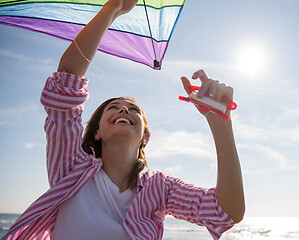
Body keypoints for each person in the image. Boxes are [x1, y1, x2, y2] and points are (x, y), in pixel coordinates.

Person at [2, 0, 245, 239]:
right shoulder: (72, 167)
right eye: (113, 107)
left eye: (133, 109)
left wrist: (221, 124)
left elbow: (225, 212)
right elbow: (66, 81)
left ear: (145, 137)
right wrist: (113, 7)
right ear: (97, 131)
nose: (124, 110)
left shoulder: (160, 187)